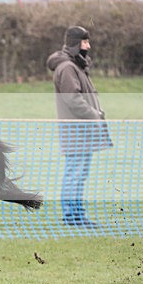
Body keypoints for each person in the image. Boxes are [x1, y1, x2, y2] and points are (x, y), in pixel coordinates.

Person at [47, 26, 112, 228]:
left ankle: (78, 215)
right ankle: (71, 216)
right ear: (76, 44)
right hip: (76, 131)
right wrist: (95, 115)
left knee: (79, 173)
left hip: (82, 130)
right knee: (74, 173)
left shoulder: (76, 66)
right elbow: (73, 100)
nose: (88, 46)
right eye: (85, 43)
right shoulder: (67, 68)